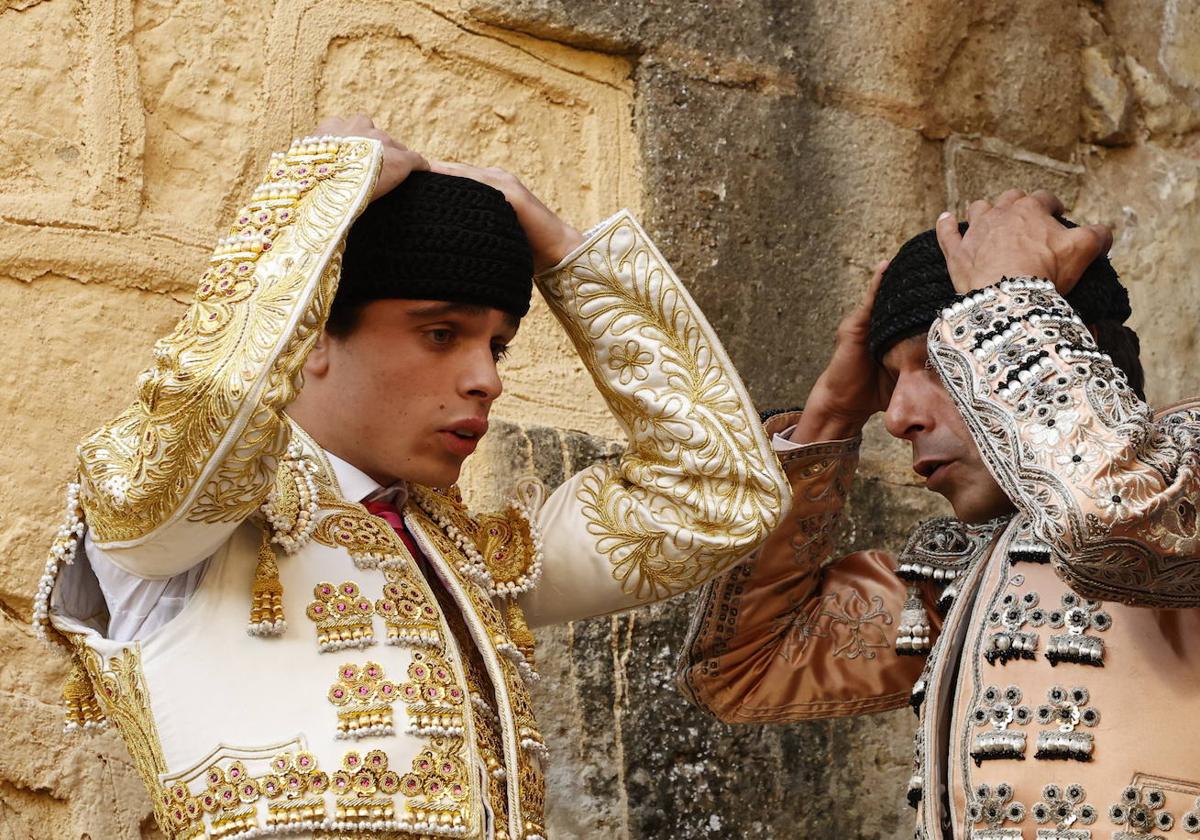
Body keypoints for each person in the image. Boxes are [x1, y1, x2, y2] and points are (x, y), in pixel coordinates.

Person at [34, 115, 790, 840]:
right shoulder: (186, 523)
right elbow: (213, 408)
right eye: (440, 333)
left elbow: (718, 493)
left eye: (498, 347)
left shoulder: (468, 558)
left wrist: (568, 254)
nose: (485, 379)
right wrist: (312, 199)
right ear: (313, 335)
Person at [678, 190, 1200, 838]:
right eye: (892, 382)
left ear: (1065, 341)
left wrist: (1009, 303)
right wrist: (830, 420)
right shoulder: (958, 576)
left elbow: (1118, 518)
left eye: (940, 363)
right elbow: (745, 666)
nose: (898, 418)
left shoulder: (1185, 469)